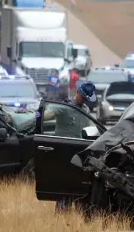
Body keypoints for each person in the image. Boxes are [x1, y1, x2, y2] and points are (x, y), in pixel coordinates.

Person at [42, 81, 97, 212]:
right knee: (64, 185)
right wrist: (40, 114)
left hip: (79, 152)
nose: (84, 100)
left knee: (78, 186)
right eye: (82, 97)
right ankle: (61, 214)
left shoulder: (86, 110)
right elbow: (46, 114)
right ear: (77, 93)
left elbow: (89, 128)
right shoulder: (64, 107)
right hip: (63, 151)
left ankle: (77, 216)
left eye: (86, 99)